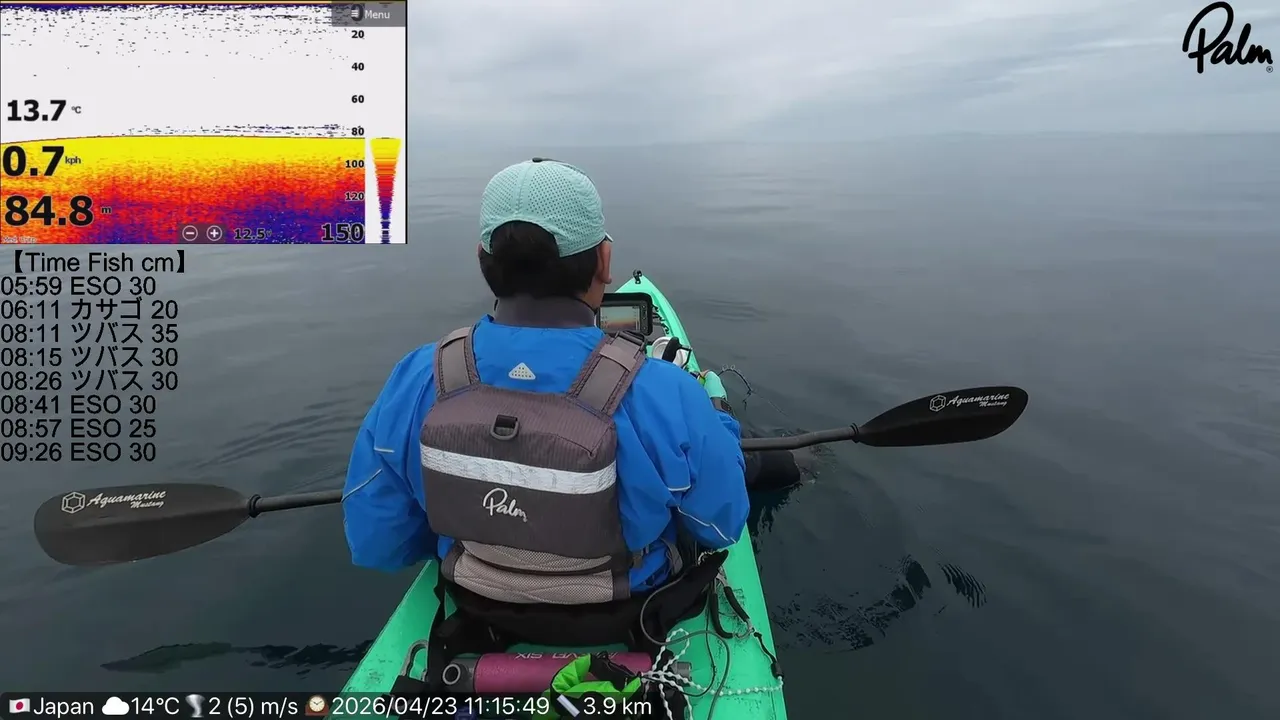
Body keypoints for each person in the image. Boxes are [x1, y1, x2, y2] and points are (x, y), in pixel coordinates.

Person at [340, 158, 750, 606]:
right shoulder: (668, 392)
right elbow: (721, 525)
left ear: (482, 260)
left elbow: (378, 544)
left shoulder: (418, 377)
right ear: (604, 261)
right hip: (628, 609)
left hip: (476, 605)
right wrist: (717, 419)